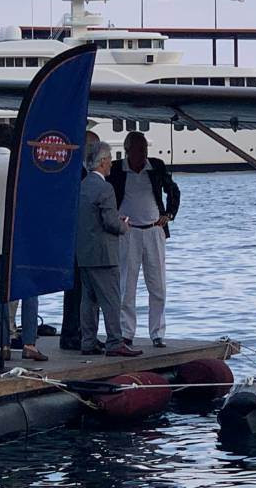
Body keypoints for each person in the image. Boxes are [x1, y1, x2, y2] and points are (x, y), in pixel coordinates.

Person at [108, 131, 180, 348]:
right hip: (128, 232)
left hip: (153, 229)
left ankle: (157, 333)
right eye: (139, 150)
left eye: (145, 150)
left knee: (158, 285)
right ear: (128, 150)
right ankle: (126, 333)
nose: (143, 155)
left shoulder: (156, 166)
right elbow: (106, 194)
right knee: (126, 286)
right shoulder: (117, 169)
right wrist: (114, 217)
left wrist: (169, 214)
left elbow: (173, 190)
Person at [0, 122, 46, 362]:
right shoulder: (24, 163)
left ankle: (2, 345)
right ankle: (29, 343)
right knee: (29, 289)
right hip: (24, 236)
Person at [76, 141, 141, 357]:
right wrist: (124, 225)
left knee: (88, 300)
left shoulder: (81, 186)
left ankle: (88, 341)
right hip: (105, 254)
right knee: (112, 300)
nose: (112, 163)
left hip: (84, 253)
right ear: (102, 161)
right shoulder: (105, 188)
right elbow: (110, 223)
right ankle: (115, 342)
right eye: (109, 159)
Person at [60, 129, 101, 351]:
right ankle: (73, 333)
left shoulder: (81, 171)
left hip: (81, 237)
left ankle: (83, 332)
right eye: (93, 147)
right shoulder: (78, 173)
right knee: (77, 290)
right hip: (78, 238)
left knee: (83, 290)